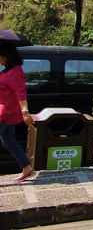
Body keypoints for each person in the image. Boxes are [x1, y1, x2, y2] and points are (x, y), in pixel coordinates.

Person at [0, 43, 36, 182]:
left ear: (6, 56)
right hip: (4, 109)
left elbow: (20, 93)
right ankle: (26, 168)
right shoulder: (7, 70)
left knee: (8, 141)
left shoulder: (14, 72)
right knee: (8, 141)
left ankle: (26, 168)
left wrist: (25, 112)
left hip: (5, 112)